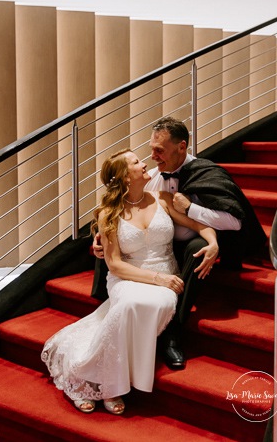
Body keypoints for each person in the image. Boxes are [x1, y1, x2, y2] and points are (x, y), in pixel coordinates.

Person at [42, 149, 219, 414]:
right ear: (125, 177)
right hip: (128, 276)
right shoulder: (107, 213)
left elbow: (200, 225)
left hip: (166, 277)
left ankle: (96, 375)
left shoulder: (162, 199)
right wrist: (158, 278)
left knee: (149, 304)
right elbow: (114, 264)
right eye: (137, 162)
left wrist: (214, 242)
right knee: (127, 305)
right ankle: (97, 382)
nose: (144, 163)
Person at [92, 116, 267, 370]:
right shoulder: (150, 177)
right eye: (151, 149)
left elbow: (235, 222)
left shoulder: (207, 172)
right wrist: (103, 238)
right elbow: (123, 210)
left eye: (159, 150)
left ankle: (172, 332)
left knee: (198, 248)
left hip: (187, 247)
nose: (152, 157)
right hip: (151, 249)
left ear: (181, 147)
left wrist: (194, 212)